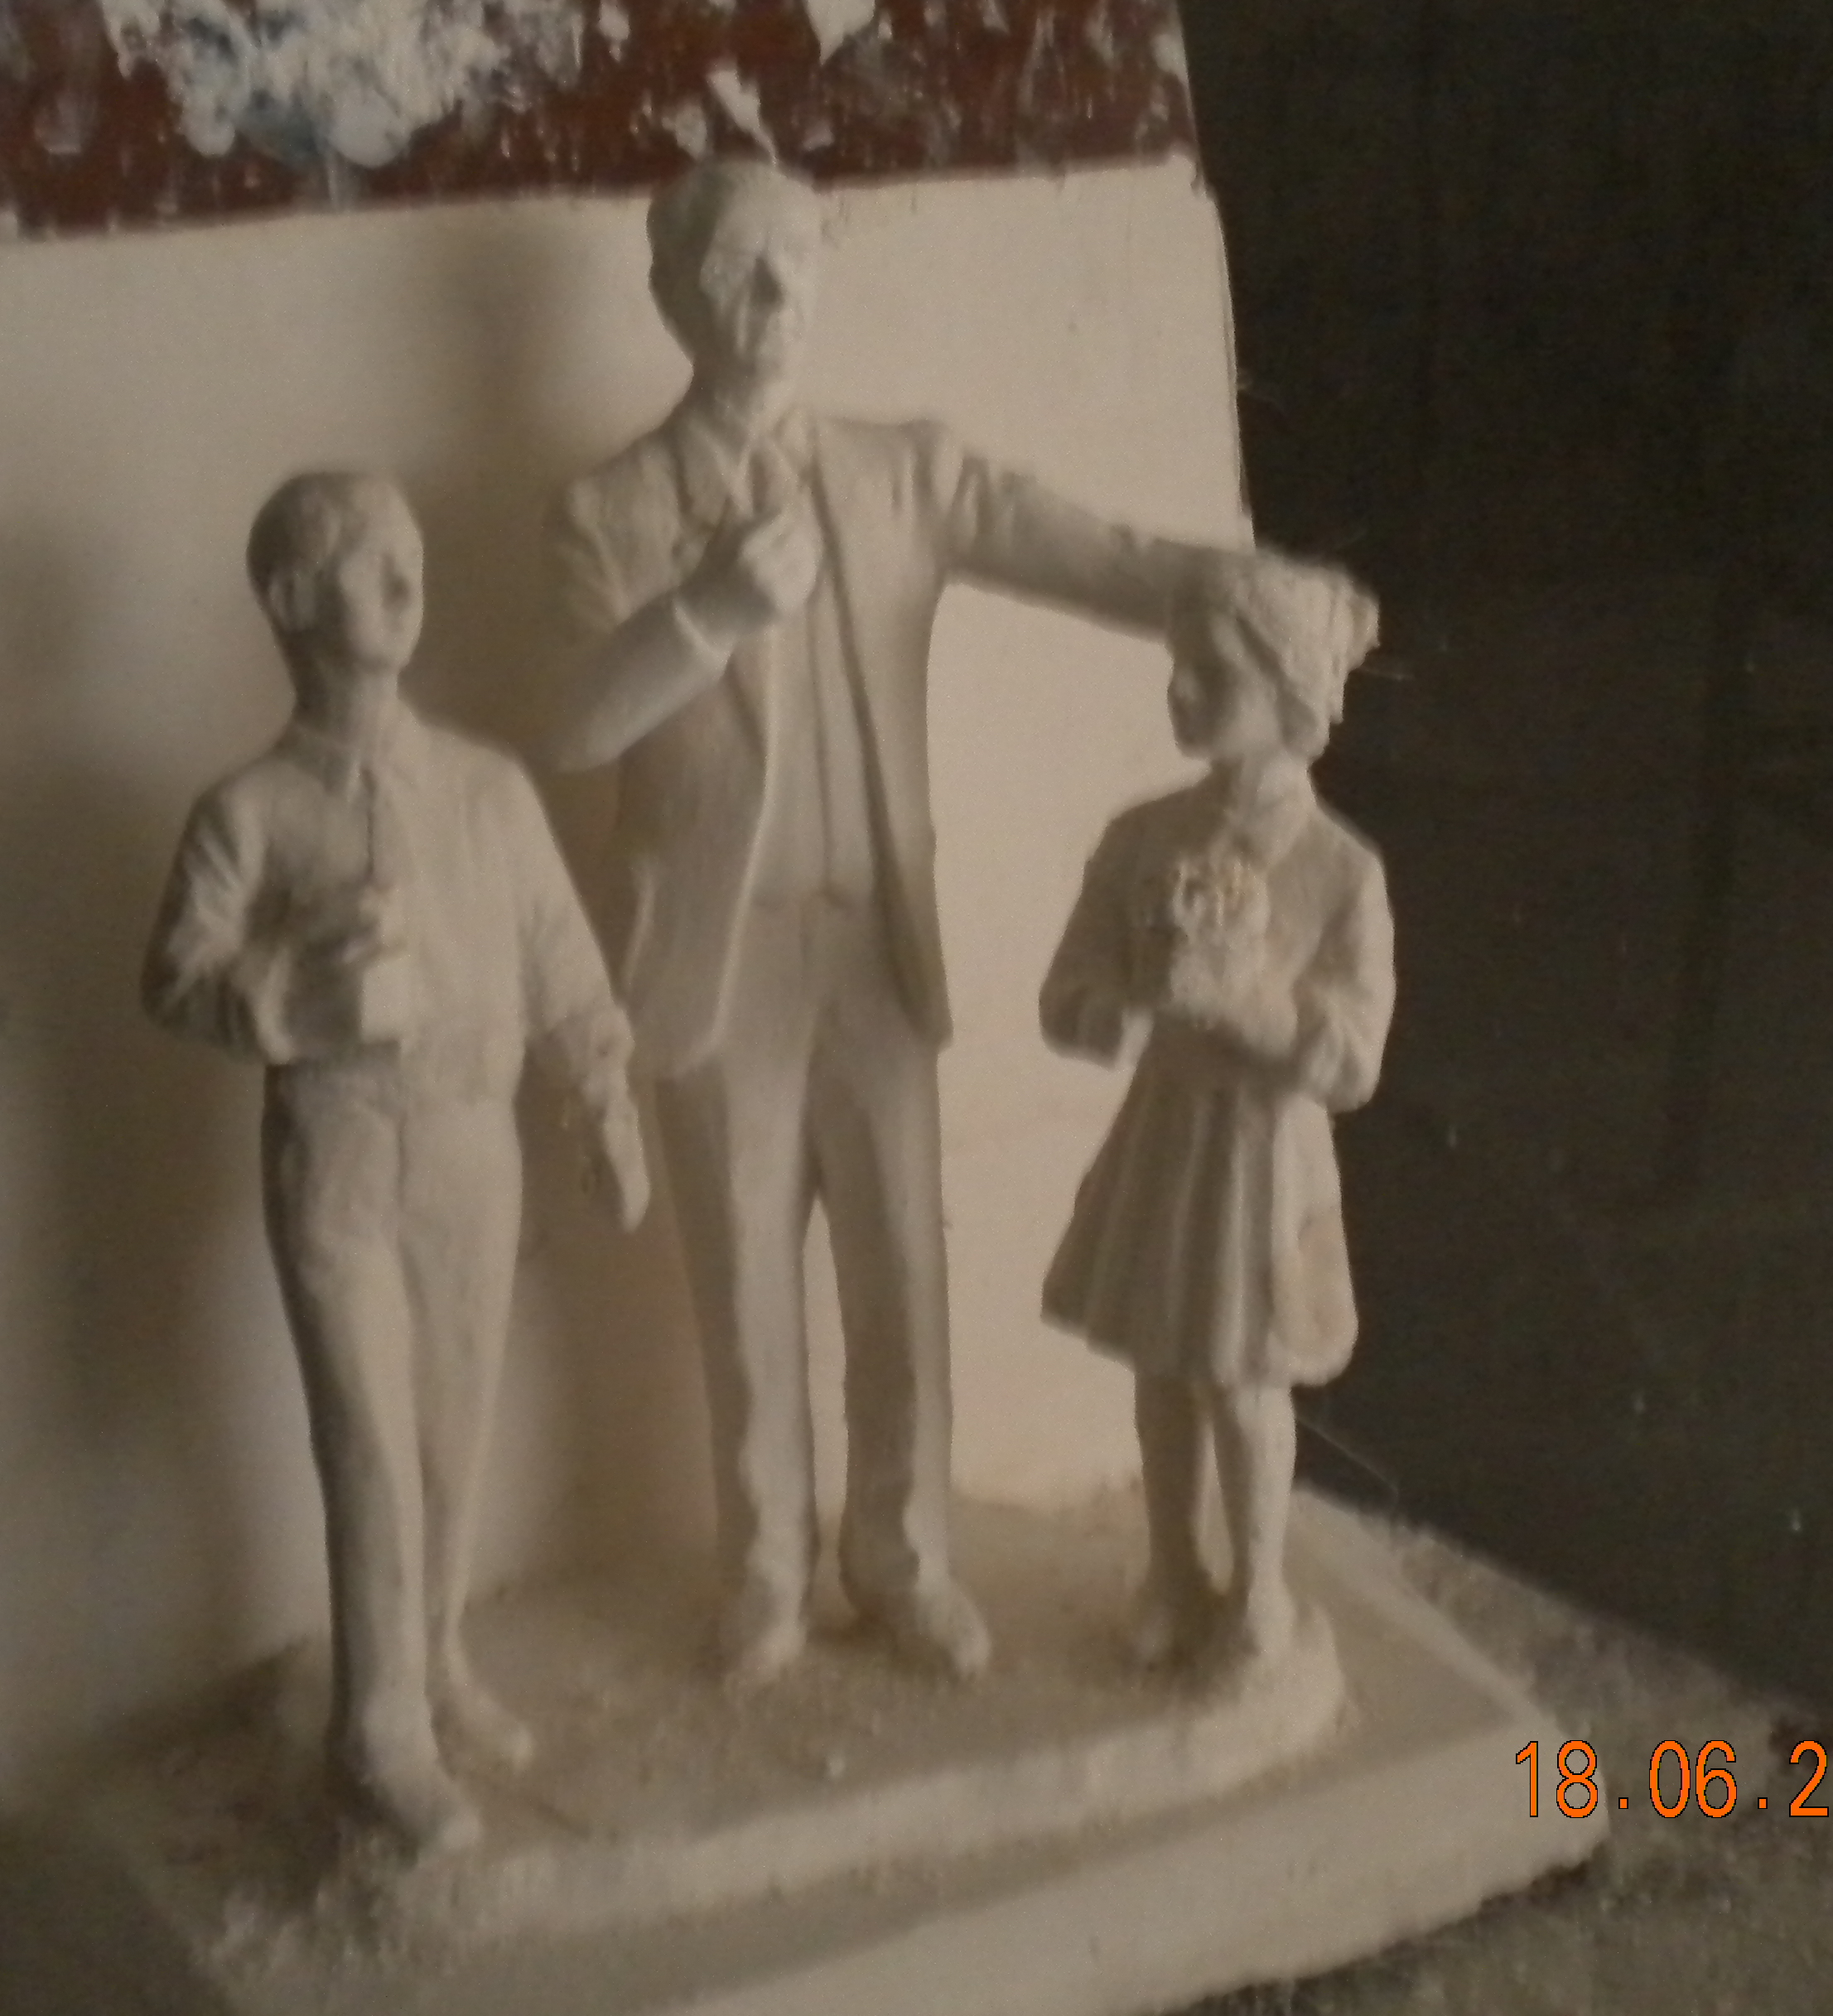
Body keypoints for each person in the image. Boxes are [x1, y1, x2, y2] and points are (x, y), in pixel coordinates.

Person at [541, 158, 1221, 1688]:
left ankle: (906, 1558)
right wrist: (706, 612)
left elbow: (1095, 552)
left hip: (871, 948)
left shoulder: (905, 472)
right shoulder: (610, 510)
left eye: (798, 262)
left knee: (903, 1270)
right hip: (719, 960)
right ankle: (767, 1573)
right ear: (672, 295)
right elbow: (577, 725)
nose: (775, 297)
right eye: (738, 267)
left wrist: (1236, 589)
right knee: (744, 1288)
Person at [144, 469, 649, 1853]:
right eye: (370, 561)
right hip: (341, 1152)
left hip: (476, 1143)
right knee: (366, 1438)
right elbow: (177, 975)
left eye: (410, 552)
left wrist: (604, 1094)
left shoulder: (489, 790)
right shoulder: (253, 810)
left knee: (450, 1429)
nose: (406, 577)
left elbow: (559, 955)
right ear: (292, 599)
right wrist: (290, 988)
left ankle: (432, 1661)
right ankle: (377, 1731)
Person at [1036, 550, 1391, 1672]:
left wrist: (1248, 1005)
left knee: (1240, 1379)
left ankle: (1260, 1591)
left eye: (1215, 676)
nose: (1181, 691)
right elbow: (1068, 990)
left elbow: (1353, 1058)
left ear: (1291, 696)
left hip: (1262, 1156)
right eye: (1179, 667)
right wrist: (1124, 1011)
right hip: (1167, 1135)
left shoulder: (1339, 870)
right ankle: (1174, 1570)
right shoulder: (1142, 840)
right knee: (1160, 1364)